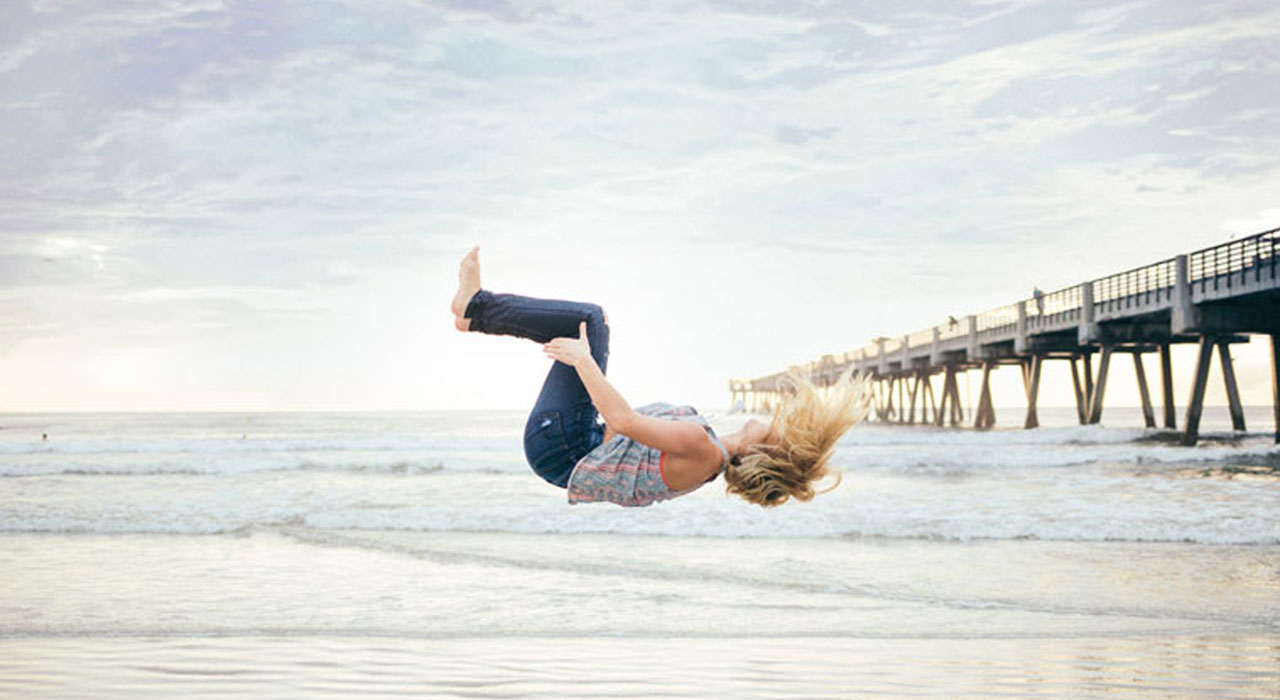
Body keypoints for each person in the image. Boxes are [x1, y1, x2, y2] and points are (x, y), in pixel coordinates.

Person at [449, 246, 871, 508]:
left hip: (564, 443)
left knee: (590, 320)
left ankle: (475, 307)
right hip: (563, 450)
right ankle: (473, 313)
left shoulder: (702, 448)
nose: (774, 421)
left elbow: (625, 421)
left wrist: (584, 362)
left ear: (770, 450)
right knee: (589, 325)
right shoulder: (706, 460)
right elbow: (624, 441)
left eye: (780, 430)